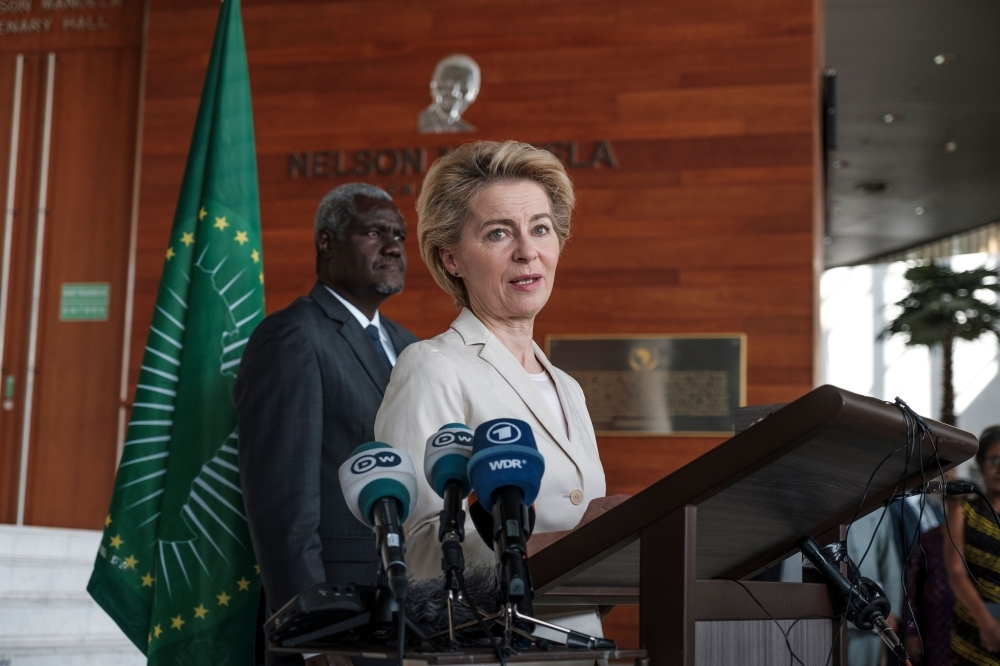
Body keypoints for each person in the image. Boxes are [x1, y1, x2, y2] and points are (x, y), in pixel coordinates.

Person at [375, 140, 628, 641]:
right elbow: (419, 550)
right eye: (498, 233)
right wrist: (572, 542)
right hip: (488, 648)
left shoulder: (569, 388)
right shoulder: (432, 366)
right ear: (451, 258)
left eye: (540, 229)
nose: (527, 251)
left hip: (577, 646)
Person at [234, 183, 419, 665]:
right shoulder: (292, 336)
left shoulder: (410, 346)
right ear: (327, 241)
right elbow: (282, 509)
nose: (395, 245)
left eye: (399, 234)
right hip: (338, 620)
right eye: (375, 231)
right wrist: (314, 640)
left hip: (409, 611)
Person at [946, 426, 1000, 666]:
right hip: (975, 629)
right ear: (980, 466)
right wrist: (985, 621)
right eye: (993, 461)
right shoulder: (964, 510)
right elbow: (955, 572)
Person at [846, 509, 903, 666]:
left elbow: (889, 563)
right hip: (828, 612)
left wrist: (892, 609)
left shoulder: (878, 510)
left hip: (870, 613)